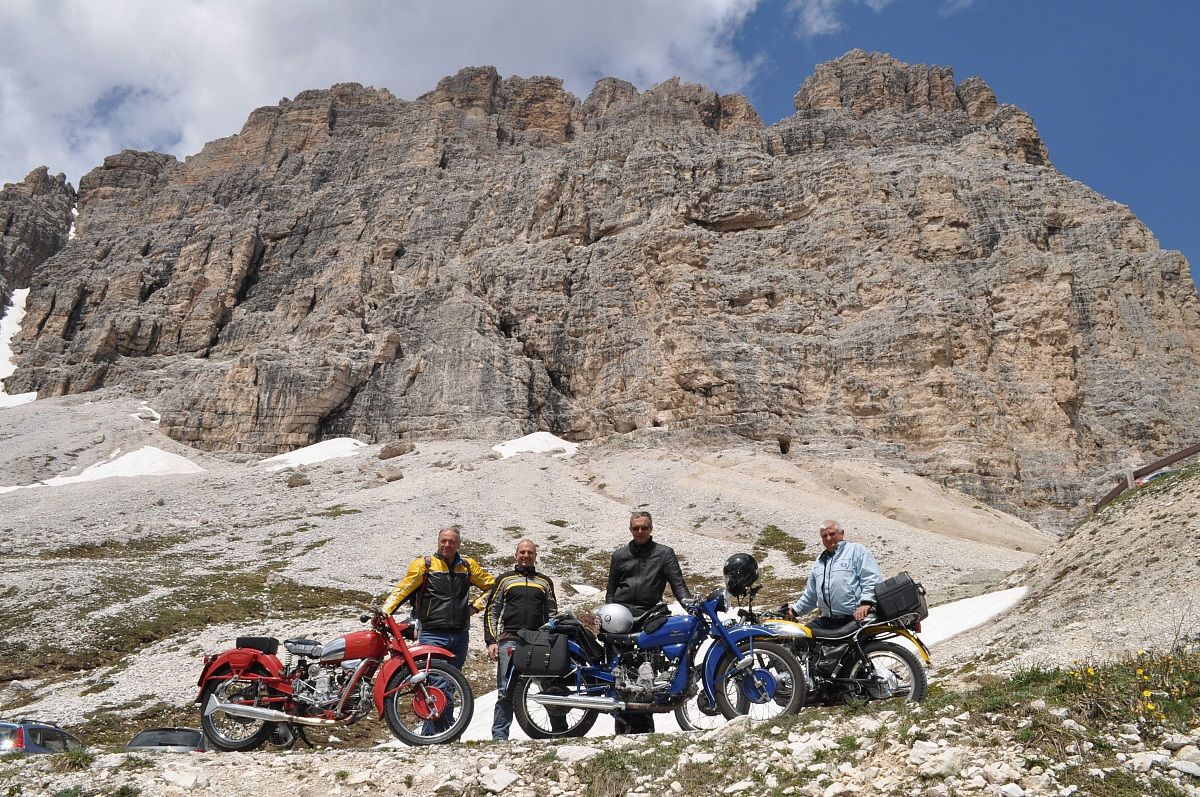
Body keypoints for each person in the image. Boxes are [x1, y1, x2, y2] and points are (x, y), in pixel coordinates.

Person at [605, 510, 692, 734]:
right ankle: (622, 730)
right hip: (620, 619)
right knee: (619, 675)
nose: (640, 531)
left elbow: (678, 585)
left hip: (650, 618)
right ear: (630, 529)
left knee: (646, 675)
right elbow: (611, 591)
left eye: (644, 527)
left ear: (651, 528)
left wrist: (689, 605)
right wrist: (608, 616)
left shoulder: (664, 554)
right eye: (636, 528)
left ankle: (644, 732)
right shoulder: (619, 555)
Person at [482, 538, 560, 741]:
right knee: (505, 689)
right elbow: (492, 610)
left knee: (548, 687)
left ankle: (560, 732)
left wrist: (551, 638)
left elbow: (552, 614)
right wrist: (491, 641)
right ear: (515, 555)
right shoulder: (504, 580)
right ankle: (500, 736)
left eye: (530, 552)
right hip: (510, 640)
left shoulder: (544, 582)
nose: (526, 555)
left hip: (538, 642)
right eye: (522, 552)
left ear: (535, 556)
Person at [785, 519, 881, 627]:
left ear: (842, 533)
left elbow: (871, 578)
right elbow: (811, 595)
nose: (828, 538)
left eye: (832, 534)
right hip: (828, 619)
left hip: (855, 617)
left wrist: (866, 603)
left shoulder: (857, 550)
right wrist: (793, 612)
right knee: (802, 637)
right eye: (824, 536)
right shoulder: (819, 562)